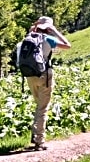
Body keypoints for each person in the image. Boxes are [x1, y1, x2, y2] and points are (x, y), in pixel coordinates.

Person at [24, 15, 71, 150]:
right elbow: (67, 45)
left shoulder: (29, 37)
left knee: (39, 105)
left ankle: (35, 134)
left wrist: (33, 28)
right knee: (43, 108)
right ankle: (40, 140)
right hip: (44, 75)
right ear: (48, 28)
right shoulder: (49, 38)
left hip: (29, 76)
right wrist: (55, 31)